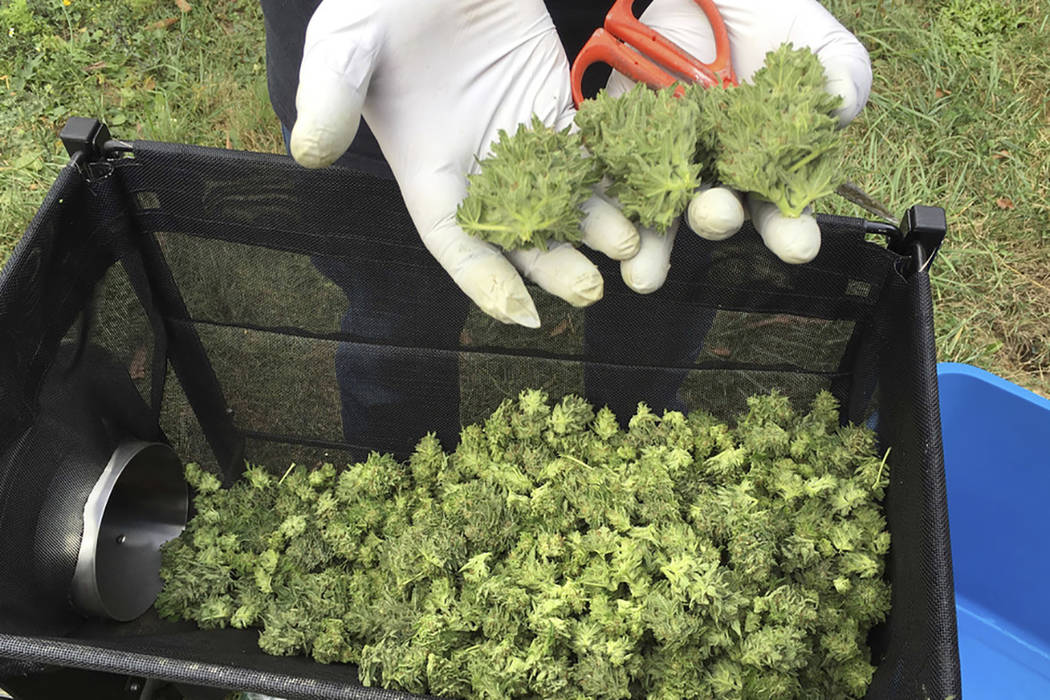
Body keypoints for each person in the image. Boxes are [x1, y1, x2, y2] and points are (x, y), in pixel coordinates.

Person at [258, 0, 872, 451]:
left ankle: (641, 428)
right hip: (411, 68)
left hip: (651, 26)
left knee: (663, 265)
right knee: (396, 303)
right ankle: (395, 468)